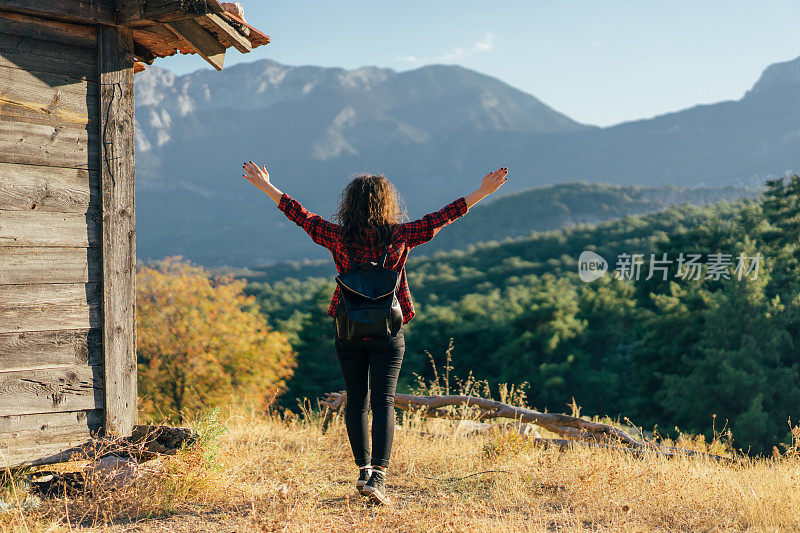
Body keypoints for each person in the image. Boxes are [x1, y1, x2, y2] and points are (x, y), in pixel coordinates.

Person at [242, 162, 509, 504]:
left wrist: (267, 186)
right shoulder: (401, 236)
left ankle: (363, 470)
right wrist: (483, 192)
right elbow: (441, 217)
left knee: (356, 399)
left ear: (349, 204)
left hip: (349, 326)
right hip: (388, 327)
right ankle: (378, 477)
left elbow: (301, 215)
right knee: (383, 400)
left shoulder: (336, 236)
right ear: (387, 203)